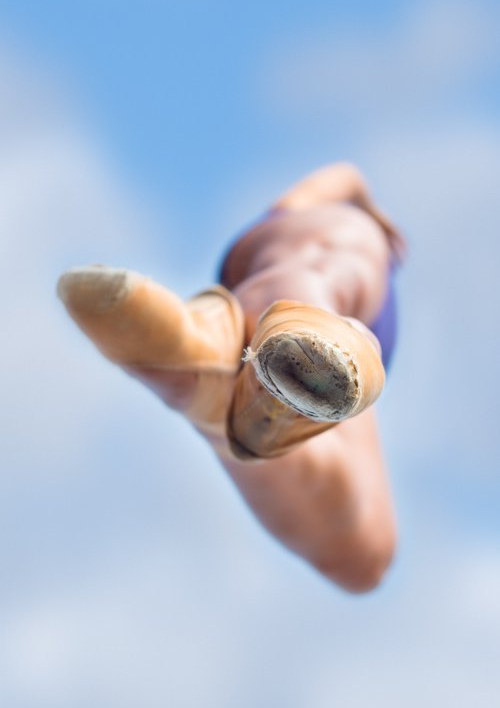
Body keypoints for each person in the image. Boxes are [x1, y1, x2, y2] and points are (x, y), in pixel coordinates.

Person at [57, 163, 405, 593]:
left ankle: (213, 376)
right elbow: (347, 179)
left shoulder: (297, 214)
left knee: (365, 561)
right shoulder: (345, 231)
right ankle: (295, 325)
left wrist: (365, 202)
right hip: (318, 264)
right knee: (329, 269)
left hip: (278, 302)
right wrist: (370, 214)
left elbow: (347, 174)